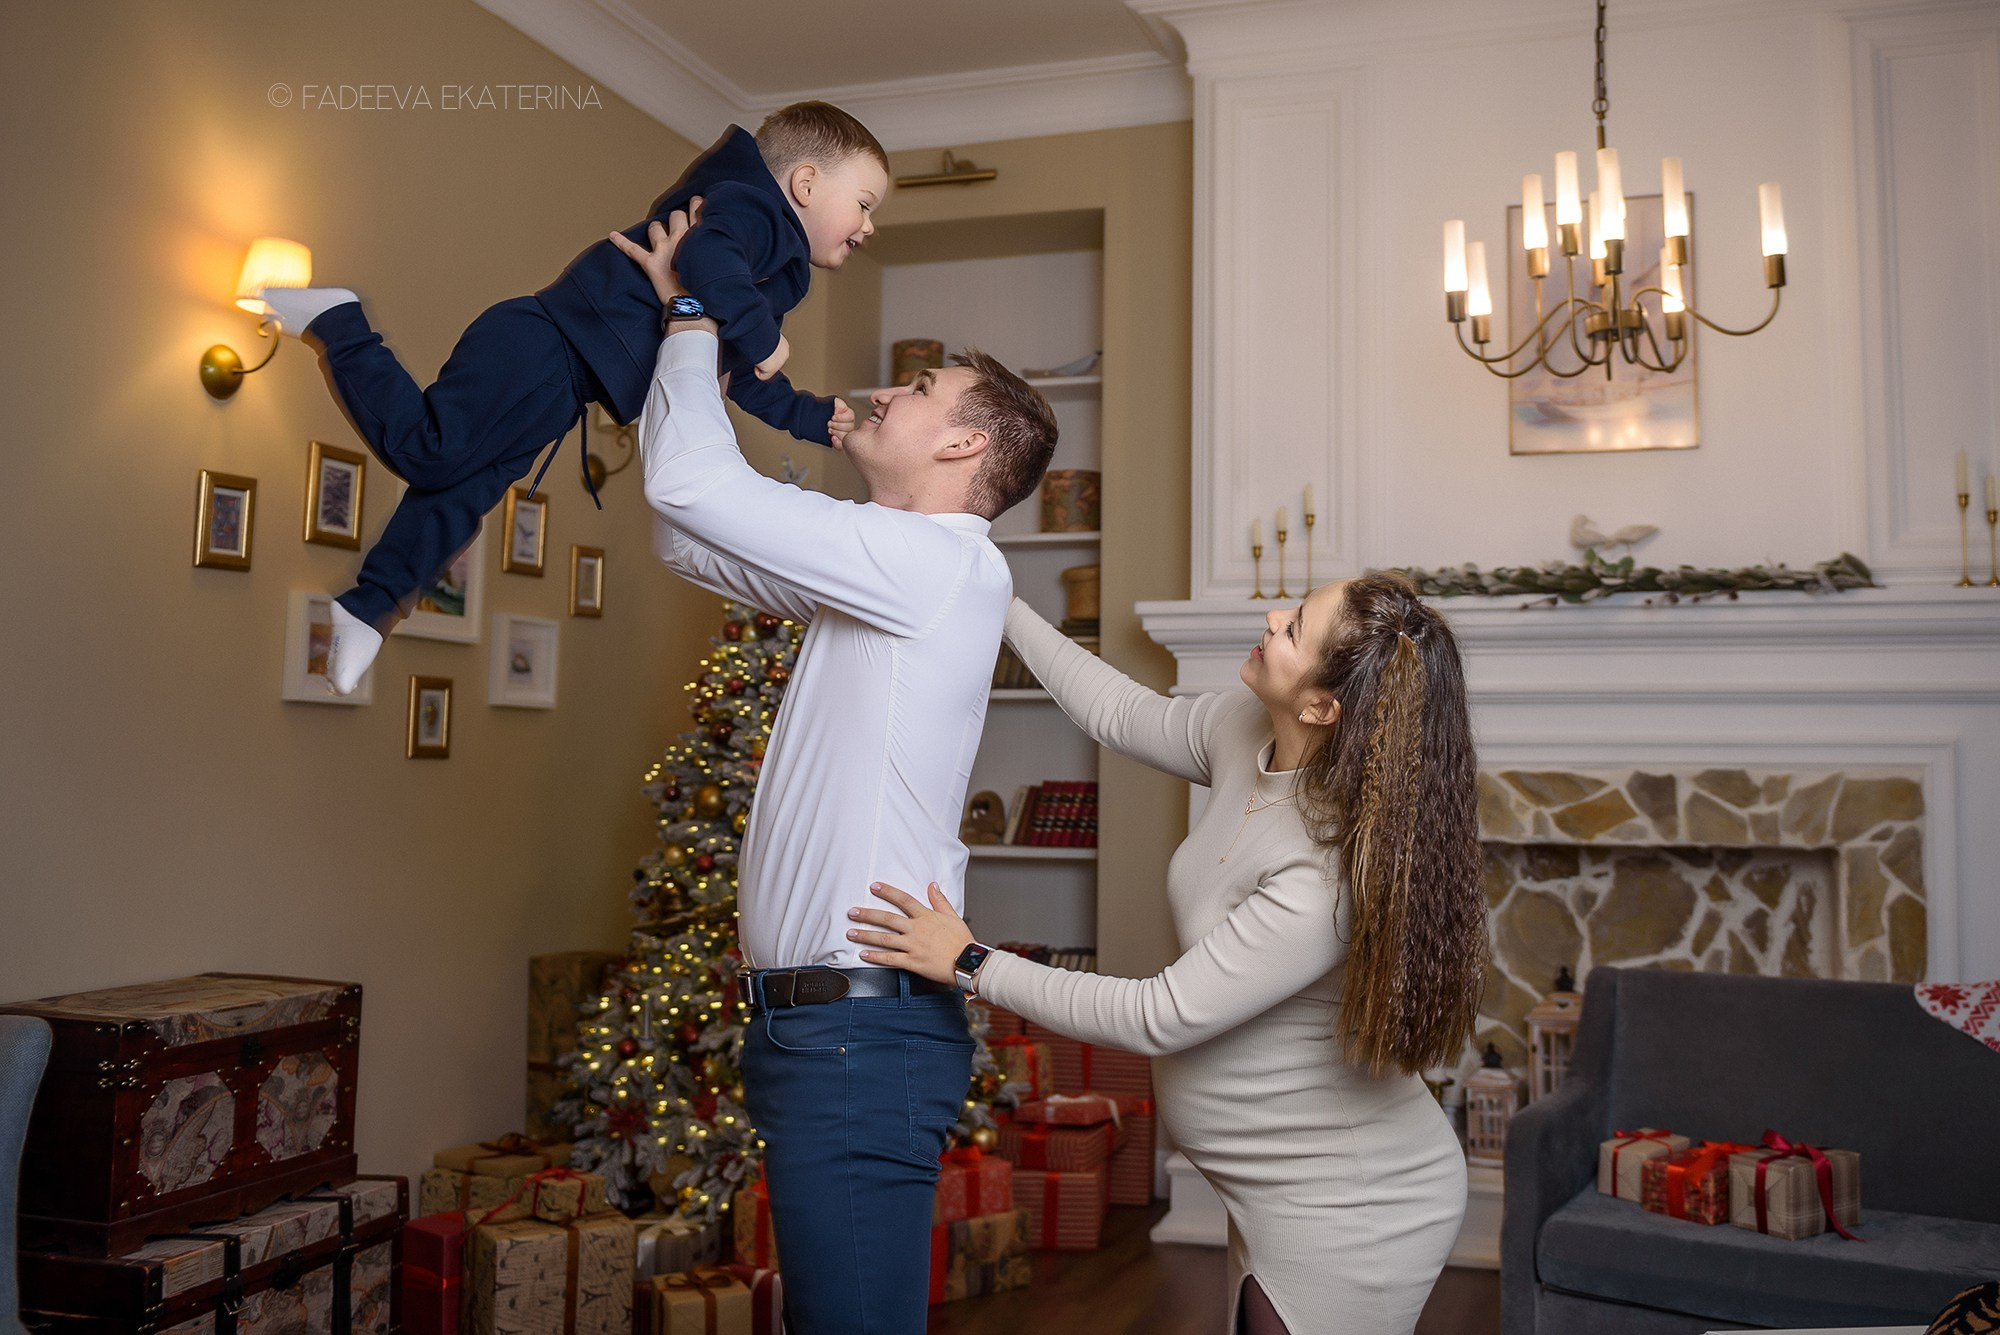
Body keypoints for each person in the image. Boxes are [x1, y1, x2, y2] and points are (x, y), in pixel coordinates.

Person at [617, 204, 1059, 1334]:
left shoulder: (933, 564)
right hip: (822, 1032)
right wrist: (683, 340)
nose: (882, 395)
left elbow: (689, 494)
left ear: (965, 444)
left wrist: (689, 312)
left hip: (857, 1038)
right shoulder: (891, 569)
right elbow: (687, 536)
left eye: (918, 392)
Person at [847, 573, 1491, 1335]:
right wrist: (998, 595)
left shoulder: (1325, 872)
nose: (1272, 616)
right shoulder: (1246, 730)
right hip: (1268, 1184)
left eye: (1294, 629)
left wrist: (971, 961)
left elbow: (1161, 1014)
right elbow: (1119, 710)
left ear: (1323, 706)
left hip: (1352, 1199)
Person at [257, 102, 889, 693]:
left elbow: (727, 364)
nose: (869, 225)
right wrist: (762, 335)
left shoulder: (769, 271)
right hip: (543, 345)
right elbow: (707, 255)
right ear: (804, 185)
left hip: (564, 383)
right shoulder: (752, 213)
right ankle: (340, 324)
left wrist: (806, 414)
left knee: (457, 495)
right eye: (862, 204)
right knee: (432, 453)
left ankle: (368, 610)